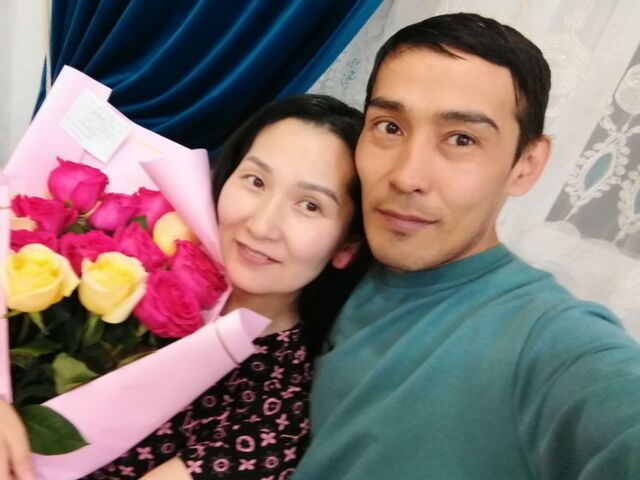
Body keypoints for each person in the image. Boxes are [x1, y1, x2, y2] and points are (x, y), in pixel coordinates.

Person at [291, 13, 640, 480]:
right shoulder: (323, 256)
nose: (406, 176)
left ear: (526, 165)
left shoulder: (552, 344)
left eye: (461, 139)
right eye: (389, 127)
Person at [0, 94, 370, 480]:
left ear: (345, 246)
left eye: (310, 205)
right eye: (256, 181)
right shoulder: (128, 257)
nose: (262, 225)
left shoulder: (269, 422)